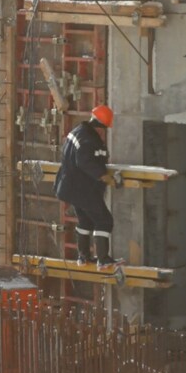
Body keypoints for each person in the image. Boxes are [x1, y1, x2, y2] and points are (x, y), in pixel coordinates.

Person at [54, 105, 116, 267]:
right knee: (104, 221)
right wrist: (104, 177)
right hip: (83, 190)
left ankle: (83, 257)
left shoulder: (77, 132)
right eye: (104, 128)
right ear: (101, 126)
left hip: (70, 187)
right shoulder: (89, 139)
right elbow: (84, 161)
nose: (103, 132)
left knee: (85, 221)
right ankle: (103, 259)